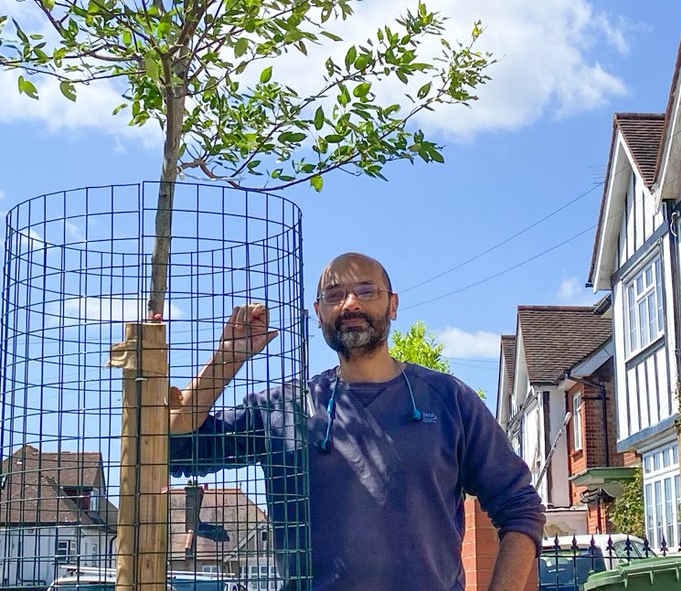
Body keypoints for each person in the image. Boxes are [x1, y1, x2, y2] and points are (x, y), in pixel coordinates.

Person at [168, 251, 545, 590]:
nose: (350, 303)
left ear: (393, 305)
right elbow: (177, 449)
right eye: (334, 295)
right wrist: (228, 358)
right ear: (319, 314)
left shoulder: (449, 400)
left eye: (366, 291)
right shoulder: (286, 409)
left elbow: (521, 508)